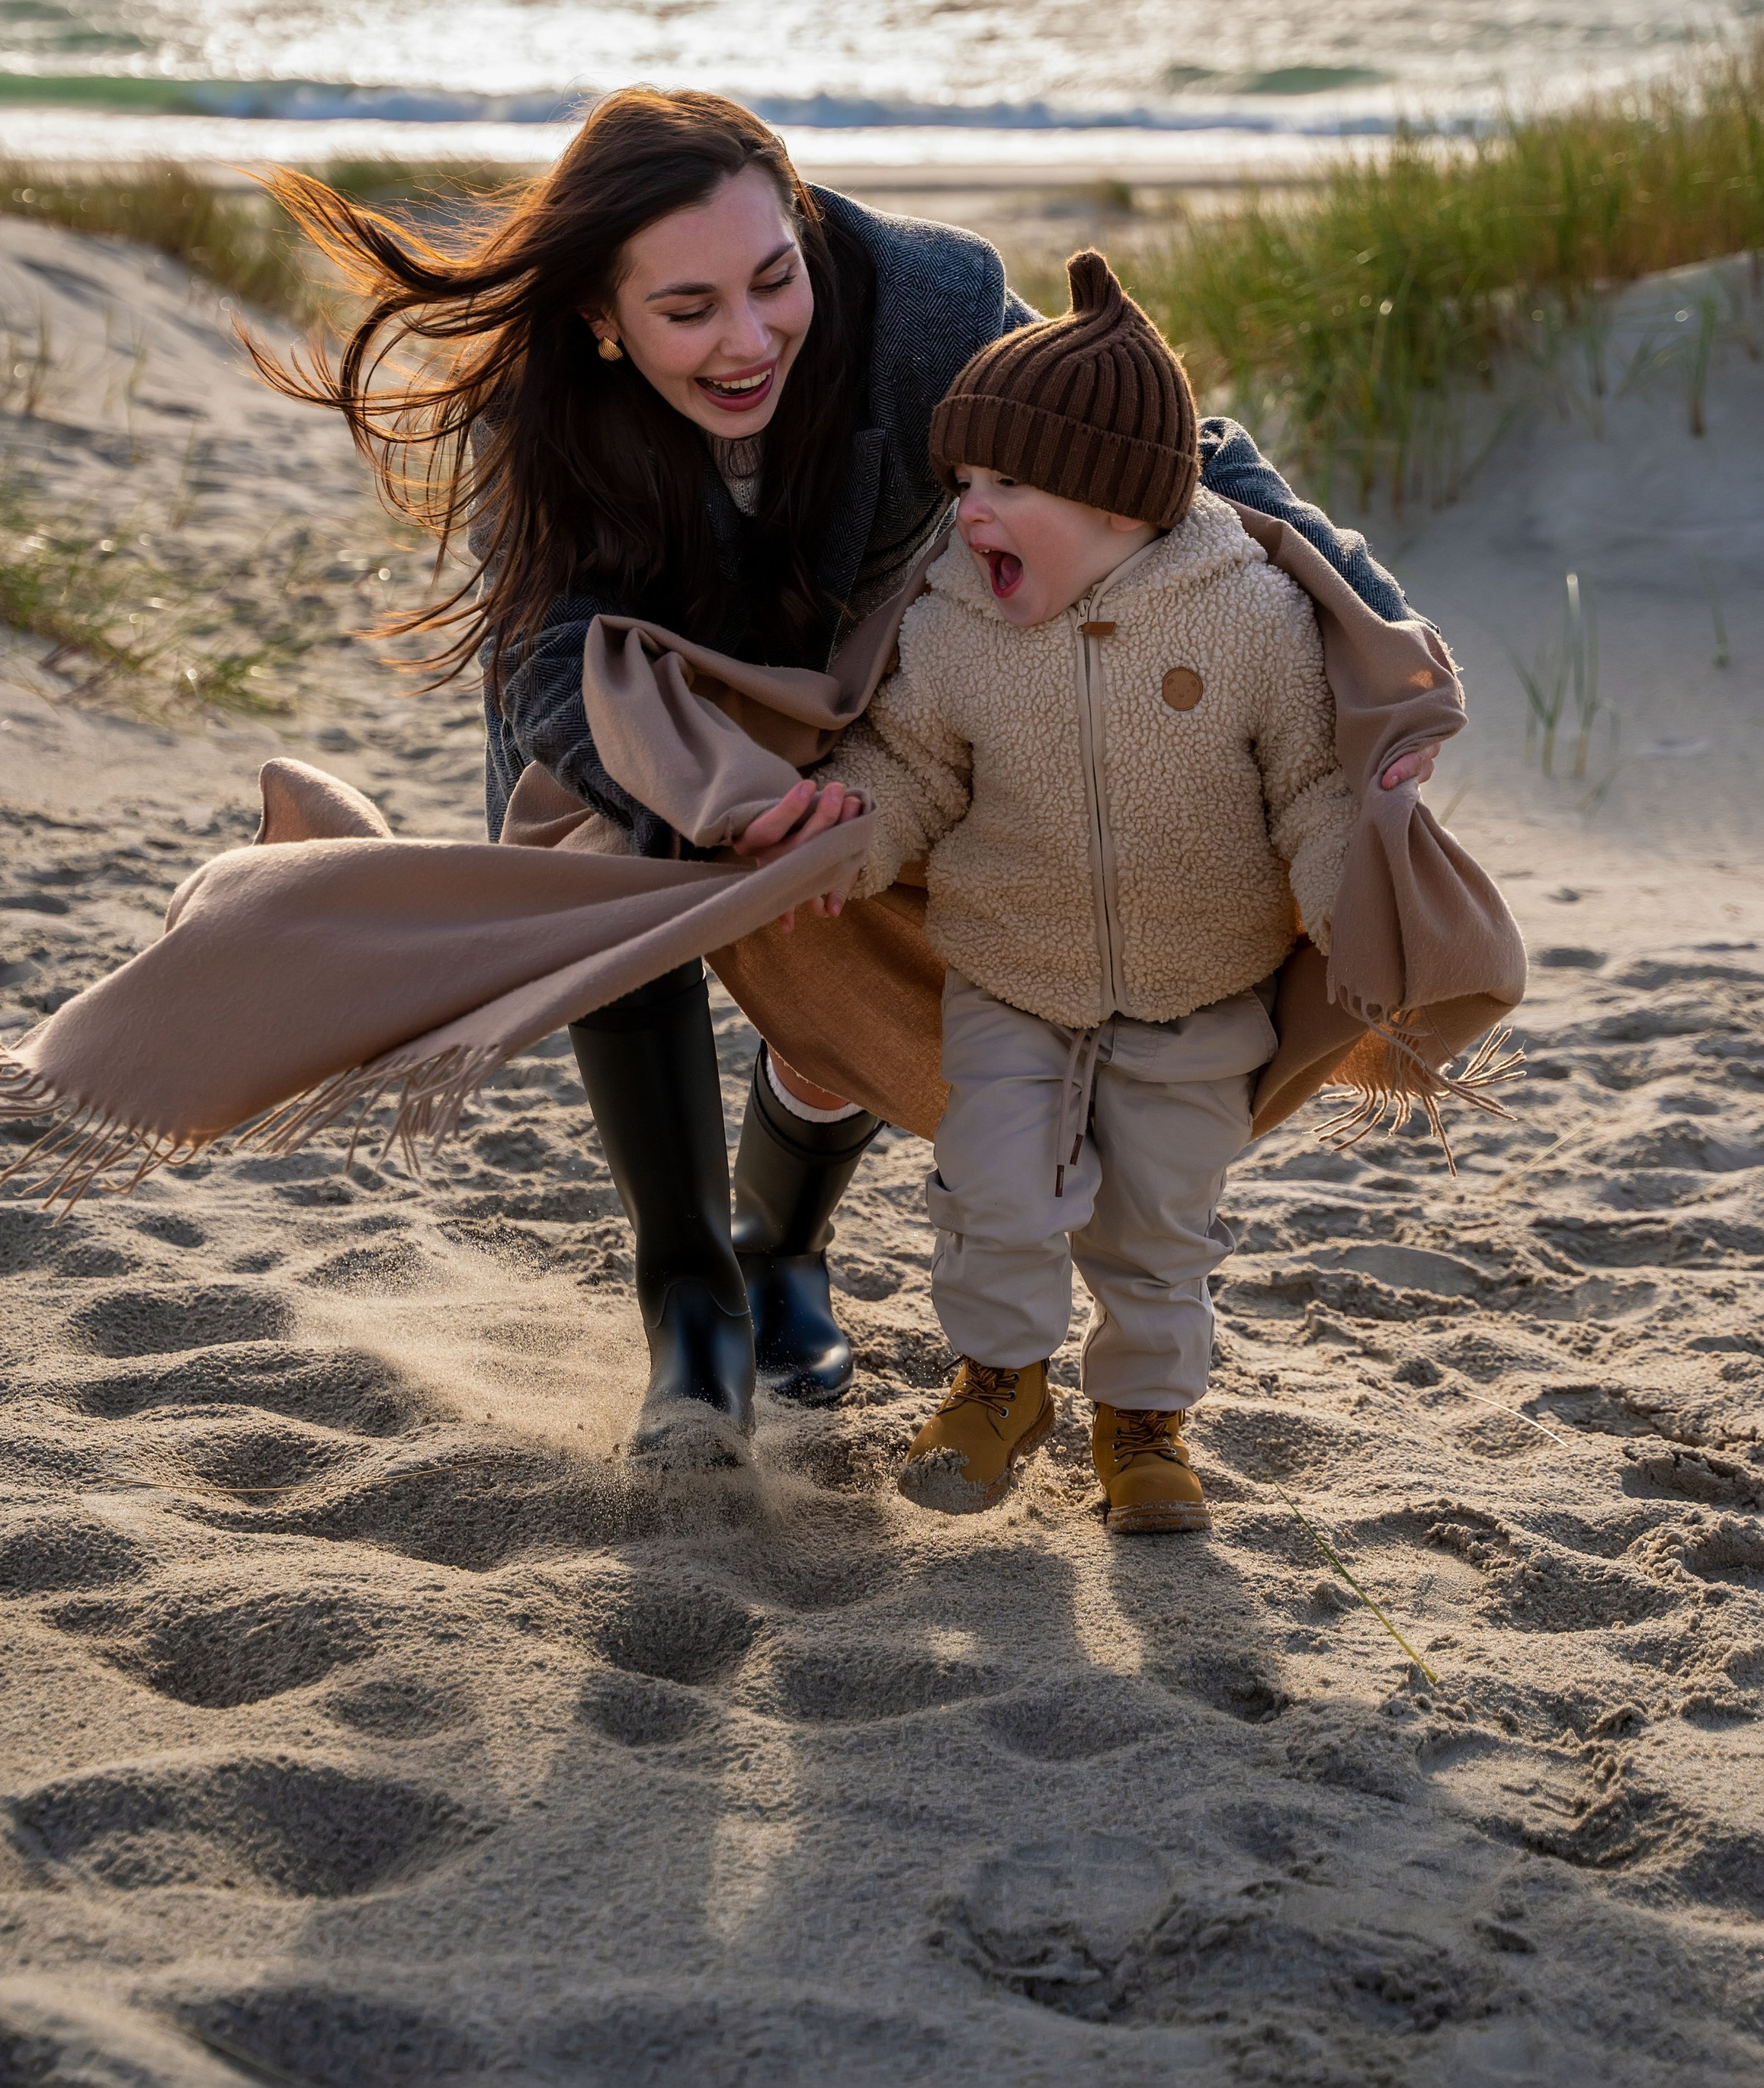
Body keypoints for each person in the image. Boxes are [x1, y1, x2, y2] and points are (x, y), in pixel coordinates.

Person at [255, 93, 1433, 1458]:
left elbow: (1172, 460)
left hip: (864, 689)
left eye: (775, 278)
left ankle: (782, 1248)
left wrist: (1380, 638)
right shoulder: (547, 413)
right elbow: (545, 662)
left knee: (880, 915)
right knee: (623, 861)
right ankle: (689, 1293)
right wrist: (714, 795)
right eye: (688, 310)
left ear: (807, 230)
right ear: (601, 314)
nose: (750, 338)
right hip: (649, 722)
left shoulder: (925, 309)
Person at [787, 252, 1360, 1529]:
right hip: (1013, 975)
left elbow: (1317, 786)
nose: (970, 510)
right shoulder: (954, 627)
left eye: (1008, 483)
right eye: (963, 481)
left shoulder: (1252, 619)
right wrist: (853, 839)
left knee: (1160, 1227)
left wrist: (1344, 900)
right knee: (992, 1187)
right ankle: (998, 1382)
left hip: (1201, 990)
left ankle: (1144, 1422)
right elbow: (908, 766)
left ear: (1117, 502)